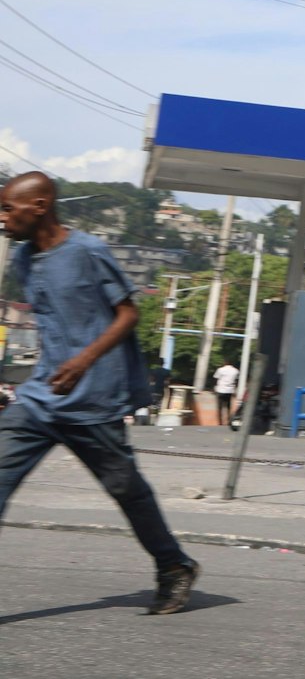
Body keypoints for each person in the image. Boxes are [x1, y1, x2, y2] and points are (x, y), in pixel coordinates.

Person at [0, 172, 200, 613]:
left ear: (40, 206)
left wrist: (83, 359)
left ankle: (173, 566)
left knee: (127, 490)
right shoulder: (22, 260)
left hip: (92, 398)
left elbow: (128, 314)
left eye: (8, 209)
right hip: (40, 398)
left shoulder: (88, 251)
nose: (3, 218)